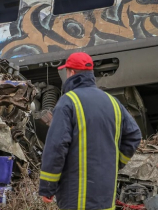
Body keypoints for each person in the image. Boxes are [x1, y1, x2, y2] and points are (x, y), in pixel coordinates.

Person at [38, 52, 142, 209]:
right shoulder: (113, 102)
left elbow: (56, 147)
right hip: (106, 196)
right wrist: (116, 163)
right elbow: (134, 135)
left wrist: (47, 188)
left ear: (71, 72)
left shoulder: (68, 102)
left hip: (77, 197)